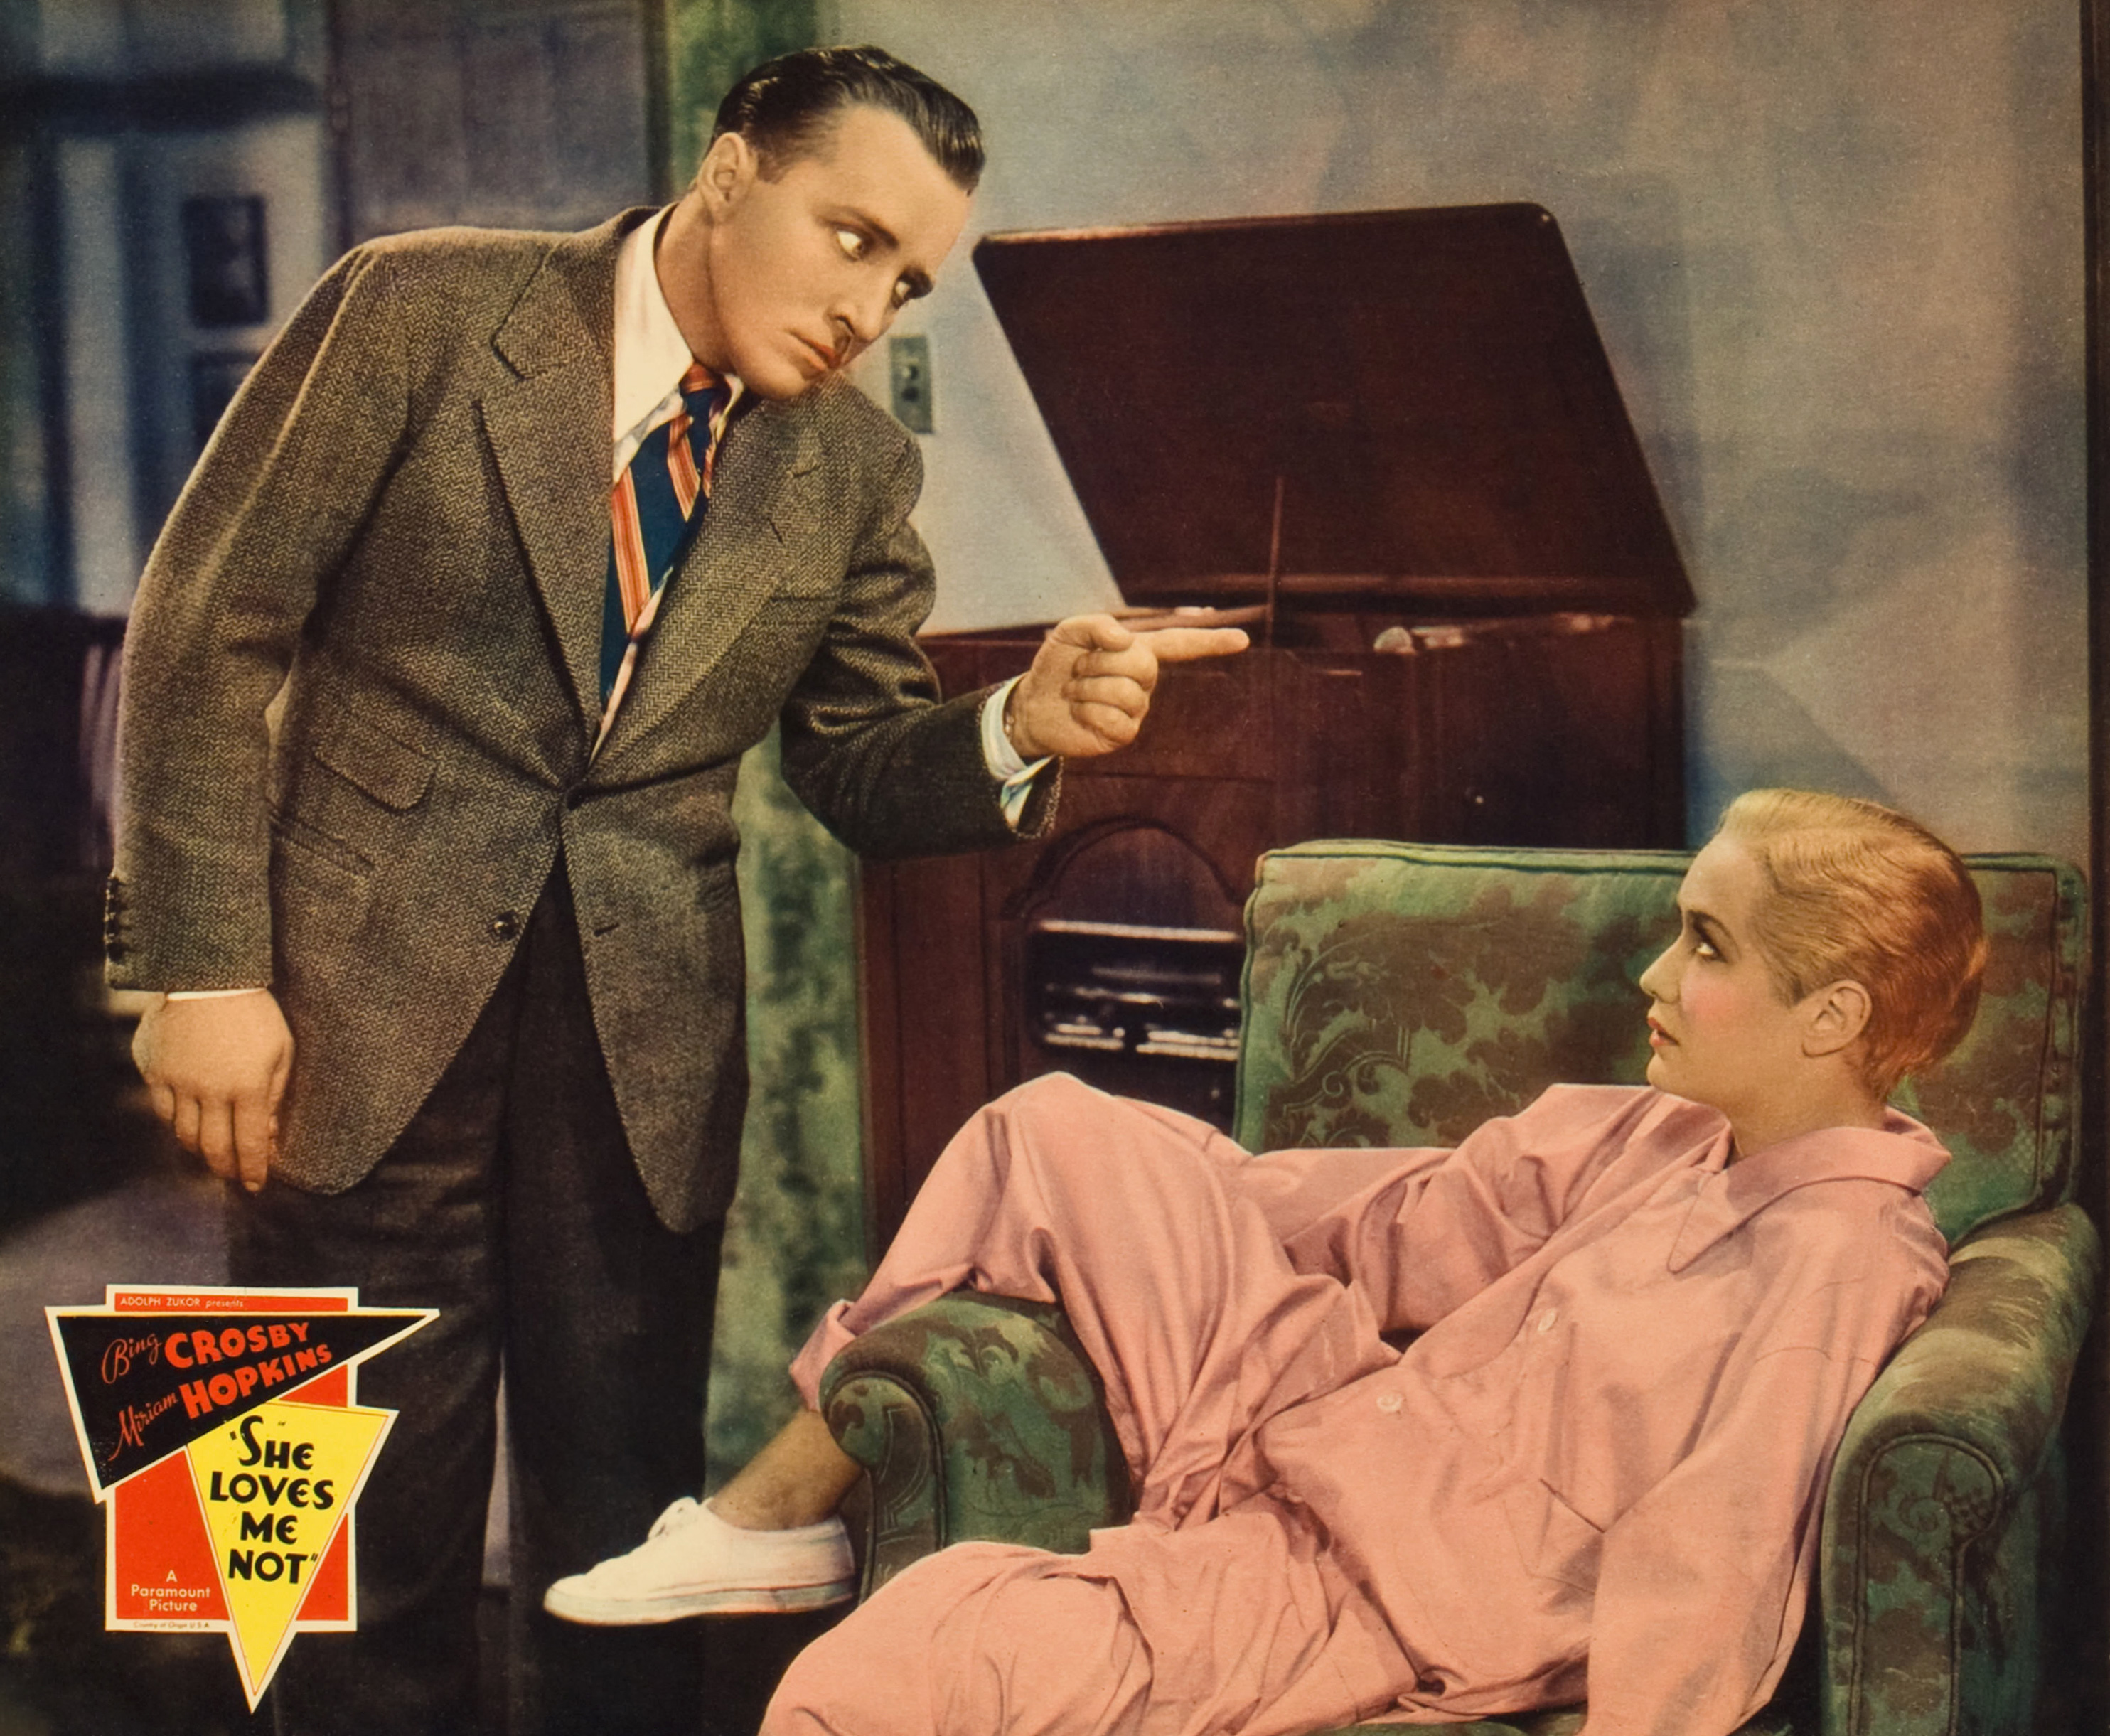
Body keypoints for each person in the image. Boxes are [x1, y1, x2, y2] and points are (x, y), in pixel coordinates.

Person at [106, 43, 1245, 1736]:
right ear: (728, 173)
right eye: (850, 237)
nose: (868, 307)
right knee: (298, 1546)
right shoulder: (418, 309)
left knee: (626, 1556)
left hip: (640, 1060)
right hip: (342, 1008)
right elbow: (204, 628)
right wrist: (198, 971)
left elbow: (856, 764)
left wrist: (1017, 723)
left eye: (907, 281)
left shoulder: (851, 471)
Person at [549, 788, 1986, 1736]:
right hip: (1326, 1422)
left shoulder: (1839, 1257)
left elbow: (1718, 1556)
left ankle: (788, 1532)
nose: (1654, 976)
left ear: (1830, 1015)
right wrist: (1186, 1203)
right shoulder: (1656, 1134)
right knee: (1054, 1129)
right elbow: (1396, 1225)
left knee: (888, 1669)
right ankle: (771, 1520)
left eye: (1705, 946)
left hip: (1378, 1589)